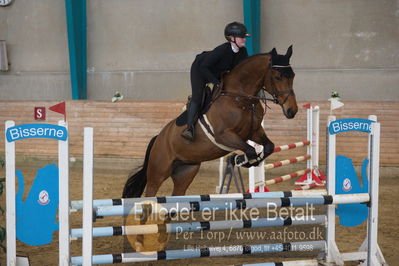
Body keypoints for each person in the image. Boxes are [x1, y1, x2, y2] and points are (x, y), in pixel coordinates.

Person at [181, 21, 250, 141]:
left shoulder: (243, 52)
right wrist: (215, 82)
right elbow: (204, 67)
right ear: (232, 38)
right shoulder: (221, 50)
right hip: (200, 69)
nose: (244, 39)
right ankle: (189, 129)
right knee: (198, 97)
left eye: (244, 37)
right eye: (241, 37)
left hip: (219, 72)